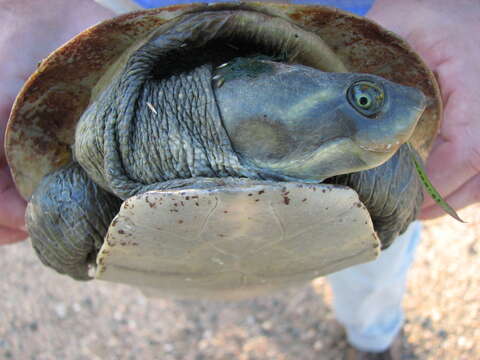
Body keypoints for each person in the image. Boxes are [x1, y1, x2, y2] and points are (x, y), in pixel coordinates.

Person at [0, 0, 478, 359]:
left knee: (380, 242)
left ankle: (372, 336)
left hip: (367, 9)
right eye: (365, 100)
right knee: (64, 208)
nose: (406, 111)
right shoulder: (87, 169)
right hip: (107, 11)